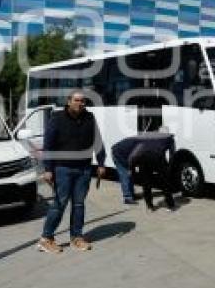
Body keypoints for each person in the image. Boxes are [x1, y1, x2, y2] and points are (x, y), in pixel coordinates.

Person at [37, 90, 106, 254]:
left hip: (84, 169)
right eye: (77, 100)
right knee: (59, 204)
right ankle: (46, 239)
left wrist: (101, 163)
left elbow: (97, 141)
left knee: (79, 204)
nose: (80, 103)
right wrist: (48, 169)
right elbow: (48, 146)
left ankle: (76, 237)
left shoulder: (89, 118)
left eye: (83, 101)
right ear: (69, 101)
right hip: (63, 169)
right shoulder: (57, 119)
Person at [112, 128, 177, 212]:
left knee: (146, 183)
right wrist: (169, 168)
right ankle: (170, 205)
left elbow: (134, 155)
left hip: (143, 158)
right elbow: (172, 154)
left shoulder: (147, 138)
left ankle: (150, 206)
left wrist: (132, 167)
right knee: (164, 182)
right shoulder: (170, 139)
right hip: (156, 157)